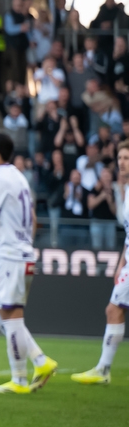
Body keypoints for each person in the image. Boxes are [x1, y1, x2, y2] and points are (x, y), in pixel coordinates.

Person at [0, 131, 58, 395]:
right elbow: (34, 218)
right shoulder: (18, 177)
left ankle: (19, 379)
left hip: (11, 256)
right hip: (19, 253)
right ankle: (40, 360)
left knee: (10, 315)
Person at [72, 140, 129, 385]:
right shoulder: (125, 189)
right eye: (120, 158)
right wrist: (121, 263)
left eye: (127, 158)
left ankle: (103, 370)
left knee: (113, 309)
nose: (122, 162)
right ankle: (103, 369)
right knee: (113, 309)